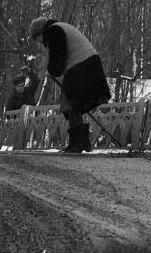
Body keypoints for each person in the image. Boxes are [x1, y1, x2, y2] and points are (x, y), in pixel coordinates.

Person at [29, 16, 111, 153]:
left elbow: (58, 55)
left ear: (40, 33)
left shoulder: (53, 31)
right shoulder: (59, 27)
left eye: (37, 39)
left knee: (71, 103)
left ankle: (78, 142)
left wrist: (53, 70)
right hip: (88, 65)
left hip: (82, 66)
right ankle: (80, 142)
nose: (40, 42)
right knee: (72, 103)